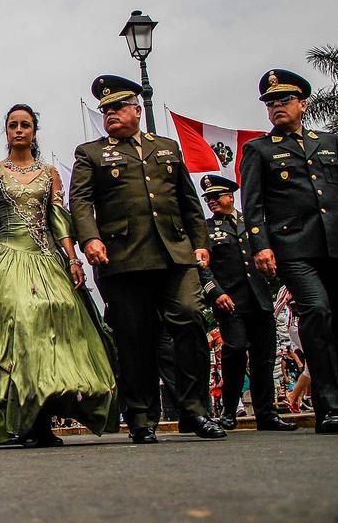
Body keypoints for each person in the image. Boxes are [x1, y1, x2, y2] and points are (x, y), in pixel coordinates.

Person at [70, 76, 225, 443]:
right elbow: (80, 201)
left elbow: (188, 200)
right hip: (124, 258)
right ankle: (142, 417)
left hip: (175, 254)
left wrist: (200, 243)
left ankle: (195, 410)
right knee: (134, 338)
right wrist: (90, 239)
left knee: (190, 318)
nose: (110, 114)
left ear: (137, 110)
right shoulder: (91, 153)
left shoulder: (167, 147)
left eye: (117, 107)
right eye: (105, 110)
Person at [0, 104, 118, 447]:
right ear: (6, 132)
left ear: (34, 131)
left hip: (47, 257)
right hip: (6, 256)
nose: (19, 130)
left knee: (57, 323)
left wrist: (73, 258)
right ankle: (23, 419)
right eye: (13, 125)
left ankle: (44, 416)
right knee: (21, 325)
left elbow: (58, 218)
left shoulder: (49, 173)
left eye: (25, 125)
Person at [241, 69, 338, 433]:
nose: (276, 107)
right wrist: (261, 247)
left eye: (284, 100)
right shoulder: (259, 150)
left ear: (303, 104)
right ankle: (329, 409)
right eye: (270, 103)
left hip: (336, 246)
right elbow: (252, 205)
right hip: (293, 249)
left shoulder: (328, 143)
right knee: (316, 311)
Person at [196, 174, 297, 432]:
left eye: (216, 196)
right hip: (230, 301)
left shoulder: (252, 225)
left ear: (230, 197)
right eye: (208, 198)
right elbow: (203, 269)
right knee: (236, 350)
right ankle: (229, 410)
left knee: (264, 357)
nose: (211, 201)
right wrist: (215, 293)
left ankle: (267, 412)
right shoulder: (206, 229)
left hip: (259, 299)